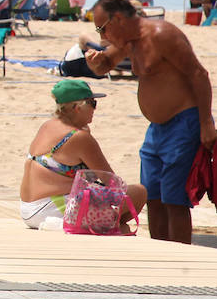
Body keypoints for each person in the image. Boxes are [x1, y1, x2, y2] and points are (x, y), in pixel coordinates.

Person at [85, 0, 216, 244]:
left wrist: (206, 122)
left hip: (183, 123)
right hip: (156, 129)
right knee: (151, 196)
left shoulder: (161, 34)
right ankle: (160, 252)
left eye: (102, 28)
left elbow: (199, 74)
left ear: (119, 19)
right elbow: (104, 67)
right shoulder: (129, 42)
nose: (102, 36)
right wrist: (95, 62)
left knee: (174, 199)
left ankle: (180, 255)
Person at [20, 79, 146, 232]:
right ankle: (113, 226)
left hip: (28, 209)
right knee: (138, 192)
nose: (95, 109)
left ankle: (112, 226)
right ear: (77, 107)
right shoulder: (79, 137)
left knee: (118, 215)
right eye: (92, 103)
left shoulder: (48, 125)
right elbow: (111, 182)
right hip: (53, 210)